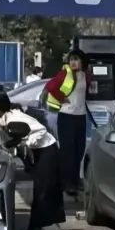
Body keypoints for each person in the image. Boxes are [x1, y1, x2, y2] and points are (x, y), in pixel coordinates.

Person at [0, 88, 64, 230]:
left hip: (46, 152)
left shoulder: (15, 119)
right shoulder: (4, 118)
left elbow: (41, 130)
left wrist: (27, 143)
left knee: (42, 193)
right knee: (42, 192)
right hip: (38, 154)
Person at [44, 49, 92, 198]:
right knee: (68, 151)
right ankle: (67, 183)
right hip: (67, 117)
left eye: (76, 59)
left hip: (81, 117)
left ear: (82, 61)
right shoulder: (65, 73)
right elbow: (50, 86)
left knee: (79, 150)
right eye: (71, 59)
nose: (73, 62)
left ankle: (75, 180)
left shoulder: (85, 75)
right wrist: (61, 97)